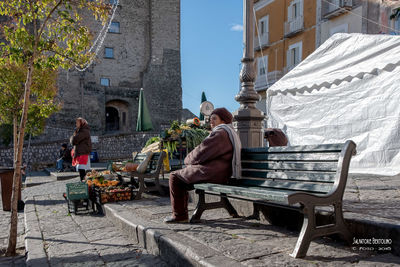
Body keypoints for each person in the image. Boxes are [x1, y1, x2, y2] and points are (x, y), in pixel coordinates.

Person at [164, 107, 241, 223]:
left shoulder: (220, 133)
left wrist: (187, 159)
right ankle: (181, 214)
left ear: (223, 121)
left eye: (214, 119)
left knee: (175, 177)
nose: (211, 121)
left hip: (216, 172)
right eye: (210, 119)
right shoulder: (228, 132)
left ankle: (179, 216)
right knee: (183, 176)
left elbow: (201, 152)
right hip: (221, 171)